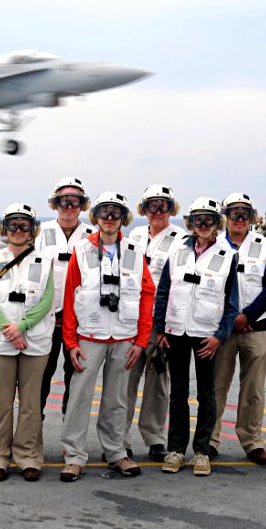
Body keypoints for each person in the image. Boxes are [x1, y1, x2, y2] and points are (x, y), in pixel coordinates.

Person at [59, 192, 154, 482]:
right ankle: (74, 457)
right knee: (79, 397)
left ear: (123, 218)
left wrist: (140, 341)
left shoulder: (136, 253)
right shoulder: (81, 250)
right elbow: (70, 295)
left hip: (124, 338)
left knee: (117, 399)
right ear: (96, 217)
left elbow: (147, 297)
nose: (110, 218)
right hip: (89, 336)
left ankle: (116, 453)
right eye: (104, 212)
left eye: (116, 213)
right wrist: (71, 342)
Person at [155, 197, 239, 477]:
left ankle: (202, 452)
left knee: (207, 394)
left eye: (210, 220)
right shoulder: (177, 252)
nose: (203, 225)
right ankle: (177, 450)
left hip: (207, 336)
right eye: (198, 219)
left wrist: (220, 337)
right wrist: (160, 331)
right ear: (190, 223)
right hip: (176, 332)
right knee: (177, 393)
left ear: (217, 223)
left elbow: (231, 304)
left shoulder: (228, 256)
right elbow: (163, 293)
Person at [0, 204, 55, 482]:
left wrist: (22, 326)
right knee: (0, 402)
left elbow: (47, 300)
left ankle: (28, 456)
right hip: (1, 342)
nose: (18, 230)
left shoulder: (44, 261)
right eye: (13, 224)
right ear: (4, 228)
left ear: (32, 230)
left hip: (35, 342)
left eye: (24, 225)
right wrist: (9, 329)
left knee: (30, 403)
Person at [210, 193, 266, 465]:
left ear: (253, 217)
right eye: (234, 213)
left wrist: (247, 315)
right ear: (225, 216)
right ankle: (210, 440)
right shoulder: (213, 243)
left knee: (253, 389)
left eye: (245, 214)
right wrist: (230, 320)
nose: (239, 219)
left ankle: (252, 441)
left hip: (255, 327)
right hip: (221, 329)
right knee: (216, 386)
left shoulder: (263, 244)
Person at [124, 184, 185, 462]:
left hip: (161, 322)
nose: (158, 212)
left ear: (171, 208)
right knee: (125, 380)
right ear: (143, 209)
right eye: (152, 205)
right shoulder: (134, 236)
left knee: (158, 381)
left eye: (164, 206)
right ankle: (119, 438)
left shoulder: (181, 239)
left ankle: (155, 438)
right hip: (132, 319)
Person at [35, 177, 94, 418]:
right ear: (54, 203)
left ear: (83, 205)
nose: (69, 207)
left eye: (75, 201)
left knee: (76, 380)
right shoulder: (39, 232)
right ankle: (31, 435)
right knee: (40, 378)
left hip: (79, 323)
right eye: (63, 201)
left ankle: (71, 437)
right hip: (45, 320)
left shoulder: (93, 236)